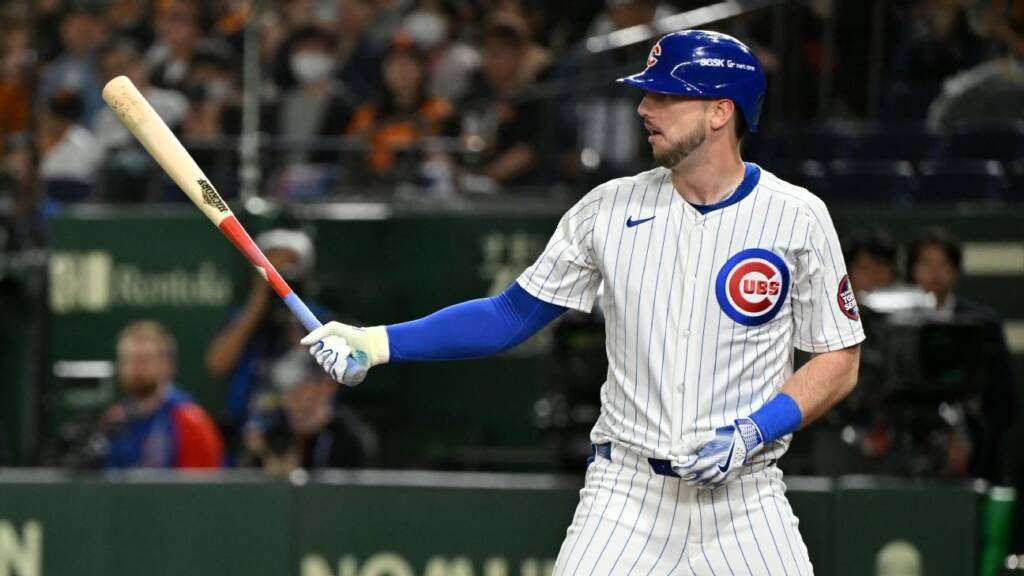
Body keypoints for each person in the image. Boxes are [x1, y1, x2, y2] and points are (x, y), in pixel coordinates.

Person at [301, 30, 863, 573]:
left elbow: (839, 358)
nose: (644, 108)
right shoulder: (607, 209)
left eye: (665, 95)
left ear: (720, 112)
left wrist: (756, 430)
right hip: (628, 496)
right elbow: (509, 315)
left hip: (745, 498)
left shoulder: (797, 217)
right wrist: (376, 342)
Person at [205, 229, 331, 457]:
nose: (278, 282)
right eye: (271, 273)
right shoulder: (243, 319)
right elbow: (217, 364)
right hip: (246, 431)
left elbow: (334, 374)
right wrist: (259, 300)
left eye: (285, 274)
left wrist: (294, 312)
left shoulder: (319, 320)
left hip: (305, 432)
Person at [909, 227, 1016, 481]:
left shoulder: (983, 324)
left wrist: (975, 439)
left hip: (976, 456)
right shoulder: (897, 322)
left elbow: (1004, 399)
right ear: (912, 270)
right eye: (927, 264)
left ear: (955, 271)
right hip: (909, 451)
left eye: (943, 264)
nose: (935, 273)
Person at [102, 320, 224, 469]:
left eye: (144, 360)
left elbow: (203, 481)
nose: (135, 368)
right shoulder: (116, 419)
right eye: (128, 360)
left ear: (167, 366)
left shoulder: (189, 420)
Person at [242, 349, 376, 474]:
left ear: (327, 387)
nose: (288, 398)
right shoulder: (272, 434)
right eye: (284, 389)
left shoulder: (350, 439)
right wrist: (263, 458)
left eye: (297, 388)